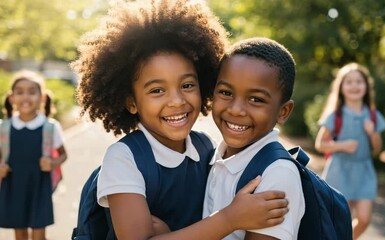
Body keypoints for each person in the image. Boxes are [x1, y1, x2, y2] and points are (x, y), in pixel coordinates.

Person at [72, 0, 288, 239]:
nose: (176, 101)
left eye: (187, 85)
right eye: (157, 90)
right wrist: (229, 219)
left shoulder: (206, 148)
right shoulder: (124, 158)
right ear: (131, 102)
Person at [203, 37, 305, 240]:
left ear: (283, 111)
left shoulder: (277, 175)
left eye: (256, 99)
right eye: (225, 92)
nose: (236, 109)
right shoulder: (215, 156)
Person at [314, 62, 385, 239]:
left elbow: (377, 149)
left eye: (359, 81)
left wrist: (373, 133)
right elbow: (320, 144)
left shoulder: (372, 115)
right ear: (341, 87)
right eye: (349, 82)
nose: (354, 86)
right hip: (340, 171)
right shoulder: (335, 115)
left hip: (364, 171)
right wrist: (341, 146)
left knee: (364, 218)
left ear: (366, 86)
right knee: (342, 220)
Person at [0, 70, 68, 240]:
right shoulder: (4, 127)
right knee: (20, 234)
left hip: (39, 186)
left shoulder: (50, 127)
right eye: (20, 92)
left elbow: (63, 154)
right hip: (14, 185)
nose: (26, 97)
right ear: (11, 98)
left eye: (32, 92)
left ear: (42, 97)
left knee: (39, 234)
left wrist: (53, 163)